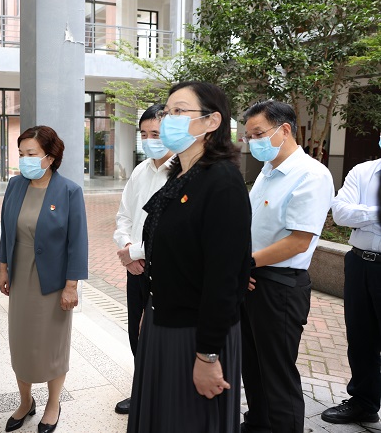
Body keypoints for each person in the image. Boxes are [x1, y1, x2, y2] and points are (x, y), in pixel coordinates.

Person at [127, 81, 252, 432]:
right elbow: (166, 257)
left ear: (212, 121)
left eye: (179, 111)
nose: (168, 119)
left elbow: (223, 279)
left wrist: (208, 355)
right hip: (164, 321)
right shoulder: (180, 176)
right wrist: (150, 308)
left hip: (196, 334)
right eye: (168, 111)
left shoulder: (222, 181)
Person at [240, 100, 334, 433]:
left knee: (277, 374)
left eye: (258, 134)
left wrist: (245, 264)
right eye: (249, 136)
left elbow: (298, 241)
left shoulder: (311, 174)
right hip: (252, 277)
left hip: (279, 285)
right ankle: (257, 425)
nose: (252, 142)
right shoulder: (267, 172)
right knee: (252, 366)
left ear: (284, 129)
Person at [0, 125, 88, 433]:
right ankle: (26, 402)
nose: (24, 160)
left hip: (53, 283)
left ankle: (53, 403)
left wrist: (71, 286)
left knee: (52, 346)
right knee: (21, 342)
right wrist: (3, 267)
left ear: (50, 157)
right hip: (21, 277)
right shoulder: (15, 185)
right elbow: (6, 230)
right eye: (21, 153)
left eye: (31, 154)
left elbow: (78, 242)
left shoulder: (69, 191)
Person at [112, 103, 172, 415]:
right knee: (136, 332)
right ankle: (142, 389)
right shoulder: (140, 170)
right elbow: (124, 217)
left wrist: (134, 253)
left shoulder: (182, 173)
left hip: (165, 272)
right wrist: (127, 251)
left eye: (156, 134)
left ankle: (162, 396)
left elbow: (173, 232)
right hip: (134, 268)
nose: (149, 140)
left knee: (160, 337)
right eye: (144, 134)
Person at [320, 136, 381, 425]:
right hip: (359, 263)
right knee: (360, 337)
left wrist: (363, 215)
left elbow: (352, 214)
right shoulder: (363, 171)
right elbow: (341, 213)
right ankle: (364, 403)